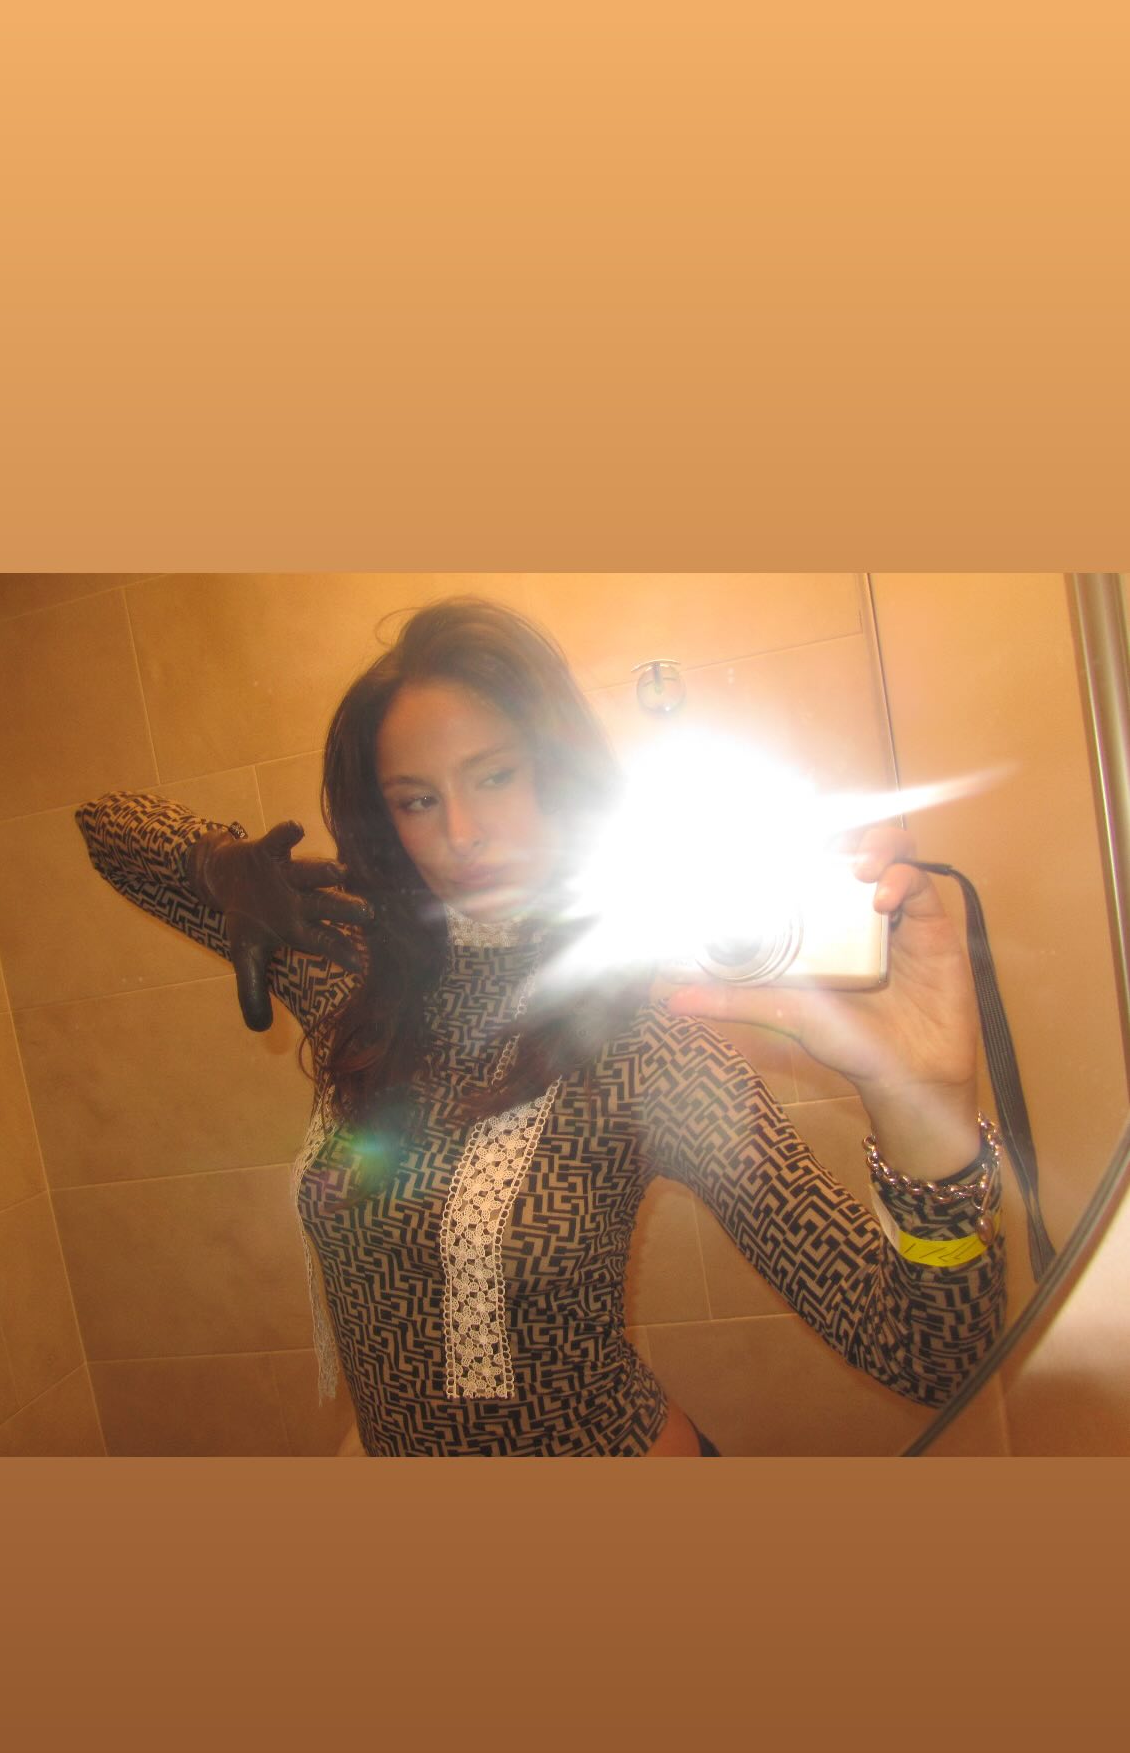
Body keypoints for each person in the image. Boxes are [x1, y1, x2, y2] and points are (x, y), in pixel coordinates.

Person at [75, 595, 1005, 1456]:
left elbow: (924, 1354)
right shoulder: (342, 964)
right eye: (417, 799)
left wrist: (924, 1107)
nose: (462, 834)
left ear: (557, 776)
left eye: (496, 776)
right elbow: (104, 825)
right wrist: (218, 866)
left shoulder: (647, 1040)